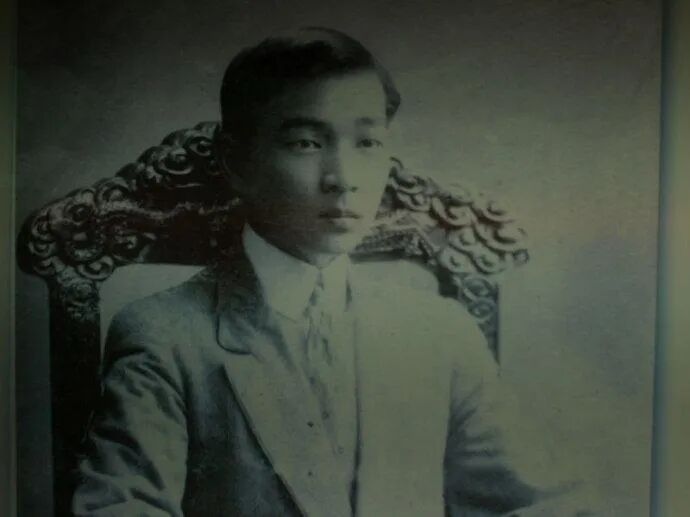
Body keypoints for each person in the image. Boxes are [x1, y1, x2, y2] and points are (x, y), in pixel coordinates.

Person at [72, 27, 593, 516]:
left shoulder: (437, 332)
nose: (343, 179)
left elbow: (546, 503)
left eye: (367, 143)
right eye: (306, 143)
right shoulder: (165, 335)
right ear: (236, 162)